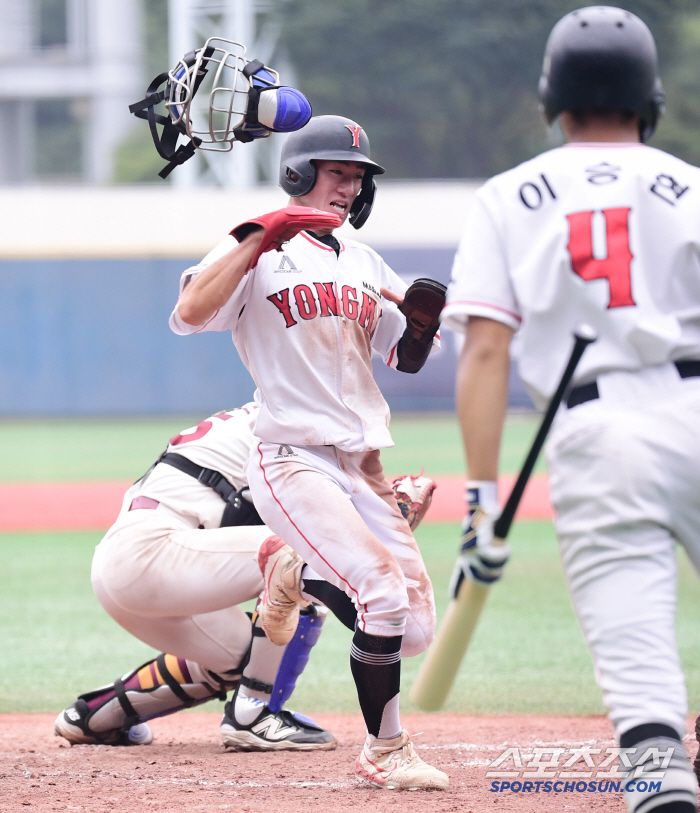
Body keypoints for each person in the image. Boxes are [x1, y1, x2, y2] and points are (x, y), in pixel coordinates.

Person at [441, 7, 700, 812]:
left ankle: (661, 770)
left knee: (639, 659)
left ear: (552, 100)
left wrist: (482, 498)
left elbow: (485, 352)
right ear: (648, 99)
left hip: (596, 430)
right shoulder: (692, 184)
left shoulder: (506, 196)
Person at [169, 115, 449, 791]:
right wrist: (259, 236)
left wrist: (420, 324)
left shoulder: (359, 258)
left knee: (410, 628)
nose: (349, 187)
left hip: (364, 464)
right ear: (297, 173)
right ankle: (387, 749)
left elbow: (403, 358)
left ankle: (305, 576)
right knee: (379, 591)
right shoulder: (253, 244)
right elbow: (189, 312)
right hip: (292, 455)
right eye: (337, 172)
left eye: (356, 177)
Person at [54, 401, 435, 753]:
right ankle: (253, 714)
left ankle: (97, 715)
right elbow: (321, 533)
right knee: (301, 557)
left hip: (145, 568)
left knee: (238, 657)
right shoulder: (294, 425)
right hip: (150, 554)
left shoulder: (275, 415)